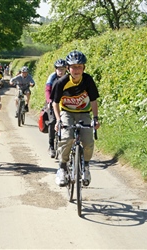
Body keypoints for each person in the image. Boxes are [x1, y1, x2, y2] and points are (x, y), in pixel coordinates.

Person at [51, 51, 100, 187]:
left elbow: (93, 100)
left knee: (88, 141)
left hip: (84, 113)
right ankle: (62, 168)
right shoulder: (62, 82)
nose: (77, 70)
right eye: (73, 67)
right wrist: (58, 120)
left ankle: (86, 167)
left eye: (79, 66)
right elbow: (55, 103)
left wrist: (95, 118)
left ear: (84, 68)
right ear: (68, 68)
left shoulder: (88, 80)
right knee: (67, 138)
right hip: (67, 113)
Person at [45, 59, 67, 158]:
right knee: (52, 121)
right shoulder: (52, 77)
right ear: (55, 69)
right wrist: (49, 101)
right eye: (59, 69)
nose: (60, 71)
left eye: (62, 69)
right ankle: (51, 146)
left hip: (66, 103)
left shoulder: (69, 78)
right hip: (53, 102)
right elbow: (47, 90)